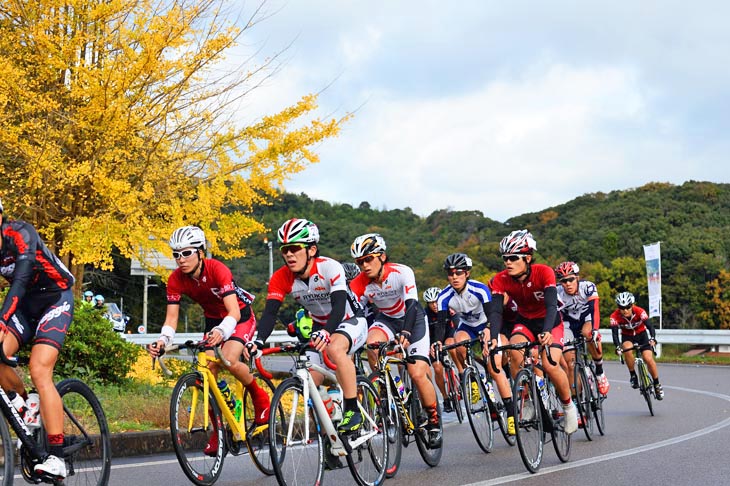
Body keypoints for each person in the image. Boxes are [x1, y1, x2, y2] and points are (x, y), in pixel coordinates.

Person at [146, 225, 270, 455]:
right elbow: (171, 319)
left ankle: (260, 397)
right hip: (213, 320)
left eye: (186, 253)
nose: (180, 259)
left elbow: (232, 311)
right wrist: (163, 341)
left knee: (229, 358)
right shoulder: (175, 279)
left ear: (201, 252)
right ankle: (219, 429)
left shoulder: (217, 269)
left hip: (238, 316)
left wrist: (223, 332)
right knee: (206, 369)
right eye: (176, 254)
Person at [248, 218, 368, 435]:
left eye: (295, 248)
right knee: (308, 380)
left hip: (350, 320)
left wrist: (327, 332)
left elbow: (339, 307)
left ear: (312, 249)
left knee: (335, 348)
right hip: (321, 327)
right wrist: (257, 341)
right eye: (285, 249)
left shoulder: (330, 267)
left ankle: (353, 411)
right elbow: (269, 314)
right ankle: (328, 435)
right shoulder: (281, 277)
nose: (289, 255)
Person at [0, 198, 75, 478]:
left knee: (39, 369)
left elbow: (20, 279)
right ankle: (25, 405)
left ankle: (56, 458)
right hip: (25, 305)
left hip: (55, 298)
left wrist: (1, 319)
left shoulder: (20, 233)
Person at [349, 233, 442, 448]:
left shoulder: (401, 272)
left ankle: (434, 420)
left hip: (413, 320)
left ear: (381, 257)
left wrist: (407, 333)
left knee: (417, 373)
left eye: (368, 259)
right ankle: (385, 389)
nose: (364, 266)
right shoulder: (358, 284)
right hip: (387, 320)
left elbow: (411, 305)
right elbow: (355, 314)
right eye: (359, 262)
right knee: (371, 344)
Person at [486, 229, 578, 435]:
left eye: (512, 258)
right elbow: (495, 311)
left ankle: (569, 407)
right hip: (525, 322)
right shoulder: (501, 279)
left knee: (550, 364)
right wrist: (493, 338)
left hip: (550, 321)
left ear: (527, 258)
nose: (507, 262)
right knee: (515, 354)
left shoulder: (543, 272)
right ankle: (527, 400)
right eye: (504, 258)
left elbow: (552, 305)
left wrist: (546, 331)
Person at [433, 253, 515, 435]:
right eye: (450, 273)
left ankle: (510, 414)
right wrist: (438, 342)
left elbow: (492, 315)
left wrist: (488, 331)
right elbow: (441, 323)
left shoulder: (479, 289)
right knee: (458, 341)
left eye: (459, 273)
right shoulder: (444, 296)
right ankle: (471, 377)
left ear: (467, 274)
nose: (454, 277)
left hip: (487, 324)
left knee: (494, 367)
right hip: (468, 327)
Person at [554, 261, 610, 396]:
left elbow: (594, 309)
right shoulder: (557, 292)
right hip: (568, 323)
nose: (568, 284)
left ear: (577, 277)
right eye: (563, 281)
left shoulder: (588, 287)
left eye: (571, 279)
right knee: (570, 364)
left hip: (586, 318)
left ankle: (599, 371)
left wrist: (595, 329)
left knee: (588, 333)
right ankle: (577, 403)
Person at [610, 292, 664, 399]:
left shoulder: (640, 311)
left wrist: (652, 338)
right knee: (626, 348)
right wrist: (617, 347)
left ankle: (657, 384)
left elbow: (650, 326)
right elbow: (615, 334)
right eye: (622, 307)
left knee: (648, 358)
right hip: (627, 337)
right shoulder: (614, 316)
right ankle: (633, 375)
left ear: (632, 305)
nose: (625, 310)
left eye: (628, 307)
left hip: (641, 335)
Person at [423, 286, 457, 413]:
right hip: (432, 340)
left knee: (452, 345)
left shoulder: (448, 308)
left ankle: (459, 370)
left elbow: (457, 322)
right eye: (431, 303)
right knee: (437, 368)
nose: (435, 305)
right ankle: (445, 397)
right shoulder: (425, 314)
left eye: (436, 301)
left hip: (447, 334)